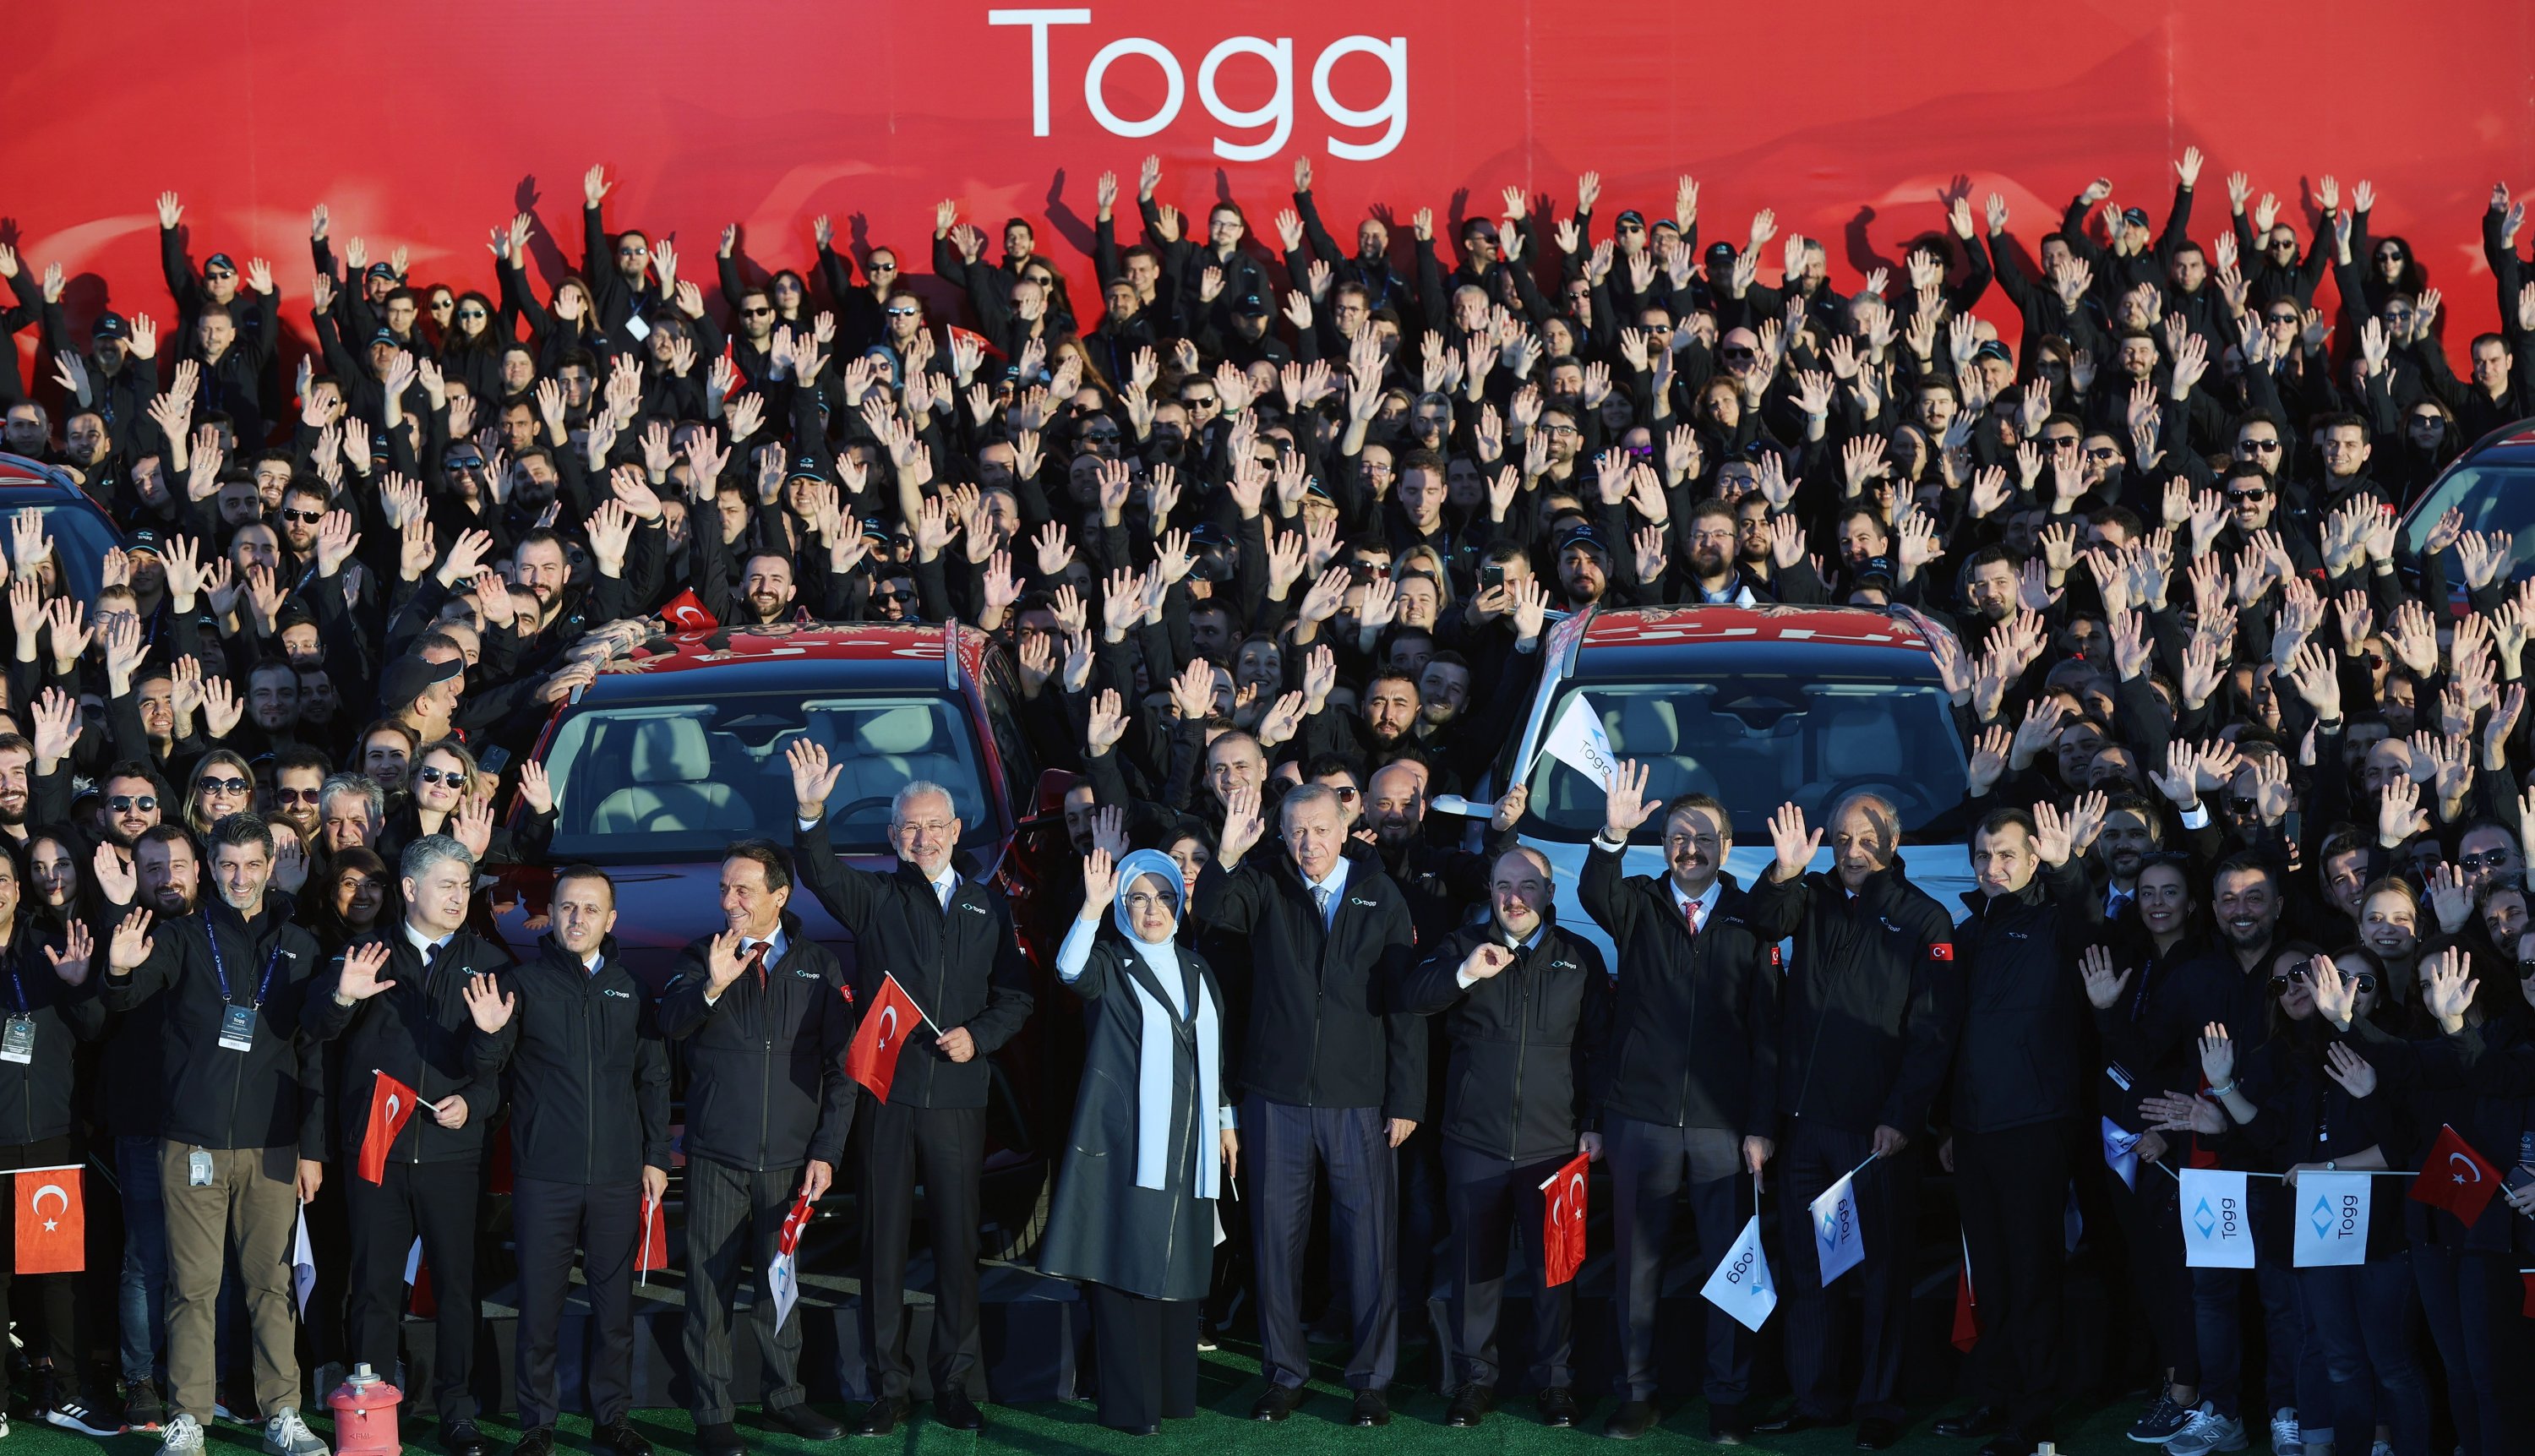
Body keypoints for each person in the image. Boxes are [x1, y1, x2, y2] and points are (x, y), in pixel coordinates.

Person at [785, 742, 1033, 1436]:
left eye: (935, 826)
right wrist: (810, 811)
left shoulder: (988, 906)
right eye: (910, 828)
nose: (923, 837)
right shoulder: (877, 897)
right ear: (894, 837)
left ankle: (953, 1381)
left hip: (958, 1098)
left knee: (957, 1244)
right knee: (883, 1246)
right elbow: (820, 870)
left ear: (956, 832)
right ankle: (886, 1386)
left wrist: (978, 1036)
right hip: (886, 1098)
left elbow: (1015, 997)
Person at [98, 814, 330, 1456]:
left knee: (269, 1284)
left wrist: (312, 1146)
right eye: (227, 864)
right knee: (193, 1286)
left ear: (271, 866)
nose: (240, 877)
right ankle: (189, 1416)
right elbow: (125, 998)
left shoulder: (300, 943)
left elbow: (315, 1048)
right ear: (208, 867)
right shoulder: (178, 937)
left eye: (253, 864)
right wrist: (117, 971)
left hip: (274, 1143)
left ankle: (282, 1409)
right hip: (191, 1142)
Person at [1194, 781, 1422, 1427]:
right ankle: (1284, 1374)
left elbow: (1405, 1006)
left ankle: (1371, 1382)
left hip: (1361, 1101)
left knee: (1371, 1244)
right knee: (1274, 1242)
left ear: (1345, 826)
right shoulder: (1264, 883)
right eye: (1296, 831)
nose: (1308, 843)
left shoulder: (1381, 894)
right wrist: (1229, 854)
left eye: (1320, 829)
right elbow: (1213, 912)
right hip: (1276, 1098)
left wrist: (1406, 1097)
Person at [1579, 770, 1790, 1444]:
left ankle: (1727, 1397)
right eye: (1676, 837)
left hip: (1723, 1129)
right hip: (1639, 1118)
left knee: (1731, 1268)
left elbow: (1768, 1036)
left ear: (1726, 847)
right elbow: (1593, 889)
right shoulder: (1636, 900)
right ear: (1661, 844)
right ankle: (1637, 1393)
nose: (1689, 849)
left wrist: (1760, 1126)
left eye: (1703, 838)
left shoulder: (1752, 915)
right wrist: (1613, 834)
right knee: (1636, 1267)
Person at [1742, 796, 1958, 1450]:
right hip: (1805, 1129)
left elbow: (1933, 1034)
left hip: (1876, 1139)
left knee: (1881, 1273)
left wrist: (1902, 1118)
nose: (1853, 848)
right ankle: (1816, 1397)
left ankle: (1879, 1405)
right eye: (1842, 837)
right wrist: (1782, 871)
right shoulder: (1807, 896)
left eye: (1867, 837)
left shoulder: (1924, 917)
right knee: (1810, 1270)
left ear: (1894, 841)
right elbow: (1763, 920)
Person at [301, 835, 510, 1456]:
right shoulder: (364, 953)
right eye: (445, 884)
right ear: (411, 889)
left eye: (464, 885)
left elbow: (500, 1073)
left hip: (452, 1155)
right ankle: (369, 1404)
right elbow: (313, 1032)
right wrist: (343, 995)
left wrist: (474, 1097)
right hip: (376, 1151)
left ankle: (457, 1409)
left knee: (455, 1285)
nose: (457, 896)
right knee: (372, 1284)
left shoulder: (491, 961)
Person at [456, 864, 669, 1456]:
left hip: (618, 1175)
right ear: (552, 912)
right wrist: (488, 1032)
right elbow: (489, 1069)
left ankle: (613, 1418)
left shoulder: (632, 988)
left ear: (611, 919)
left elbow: (653, 1078)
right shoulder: (523, 985)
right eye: (568, 907)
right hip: (544, 1173)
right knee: (541, 1304)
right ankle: (537, 1424)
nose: (578, 918)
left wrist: (655, 1155)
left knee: (614, 1307)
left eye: (591, 909)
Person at [656, 842, 853, 1456]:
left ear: (779, 895)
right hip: (718, 1155)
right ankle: (712, 1410)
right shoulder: (700, 956)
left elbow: (843, 1071)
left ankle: (784, 1397)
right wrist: (711, 987)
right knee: (707, 1291)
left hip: (793, 1162)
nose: (729, 900)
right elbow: (668, 1024)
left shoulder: (820, 965)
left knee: (780, 1283)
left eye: (743, 889)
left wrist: (827, 1150)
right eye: (723, 889)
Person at [1402, 843, 1608, 1431]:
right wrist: (1468, 971)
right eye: (1502, 886)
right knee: (1476, 1269)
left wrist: (1594, 1121)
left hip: (1555, 1147)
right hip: (1474, 1142)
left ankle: (1556, 1384)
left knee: (1555, 1274)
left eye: (1526, 886)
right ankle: (1474, 1380)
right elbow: (1414, 998)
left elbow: (1600, 1048)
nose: (1513, 897)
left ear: (1549, 893)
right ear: (1489, 892)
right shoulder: (1462, 946)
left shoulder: (1581, 956)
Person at [1039, 847, 1234, 1436]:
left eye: (1165, 896)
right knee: (1124, 1264)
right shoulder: (1108, 961)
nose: (1153, 909)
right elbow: (1068, 970)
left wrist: (1226, 1120)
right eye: (1139, 898)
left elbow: (1216, 1054)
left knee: (1180, 1260)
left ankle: (1173, 1395)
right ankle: (1129, 1407)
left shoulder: (1199, 968)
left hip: (1191, 1145)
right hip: (1126, 1144)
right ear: (1123, 906)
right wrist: (1092, 909)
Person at [1946, 801, 2105, 1456]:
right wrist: (1948, 1123)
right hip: (1976, 1129)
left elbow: (2090, 923)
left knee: (2033, 1272)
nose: (1993, 866)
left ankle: (2034, 1411)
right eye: (1983, 855)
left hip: (2037, 1126)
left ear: (2035, 857)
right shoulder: (1970, 929)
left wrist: (2068, 871)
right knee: (1992, 1273)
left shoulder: (2054, 921)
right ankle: (1997, 1393)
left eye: (2007, 854)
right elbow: (1955, 1038)